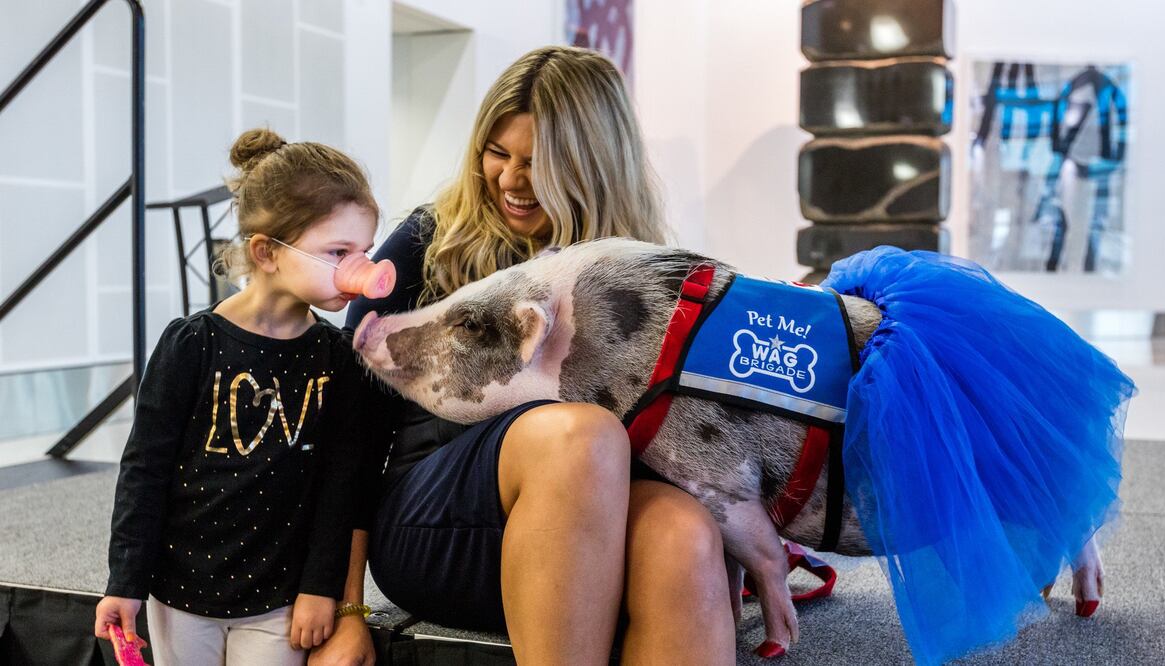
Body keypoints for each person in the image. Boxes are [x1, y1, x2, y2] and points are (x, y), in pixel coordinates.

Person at [312, 47, 736, 665]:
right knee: (578, 435)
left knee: (686, 534)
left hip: (591, 516)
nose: (510, 179)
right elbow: (348, 436)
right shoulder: (426, 244)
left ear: (591, 166)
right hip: (439, 526)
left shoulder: (640, 270)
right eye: (497, 153)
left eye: (536, 164)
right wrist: (347, 606)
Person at [96, 128, 383, 665]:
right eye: (338, 251)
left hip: (281, 599)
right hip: (181, 592)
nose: (360, 269)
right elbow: (144, 468)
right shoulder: (191, 344)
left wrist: (321, 589)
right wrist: (125, 582)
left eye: (365, 249)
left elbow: (342, 483)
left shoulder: (338, 358)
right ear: (267, 252)